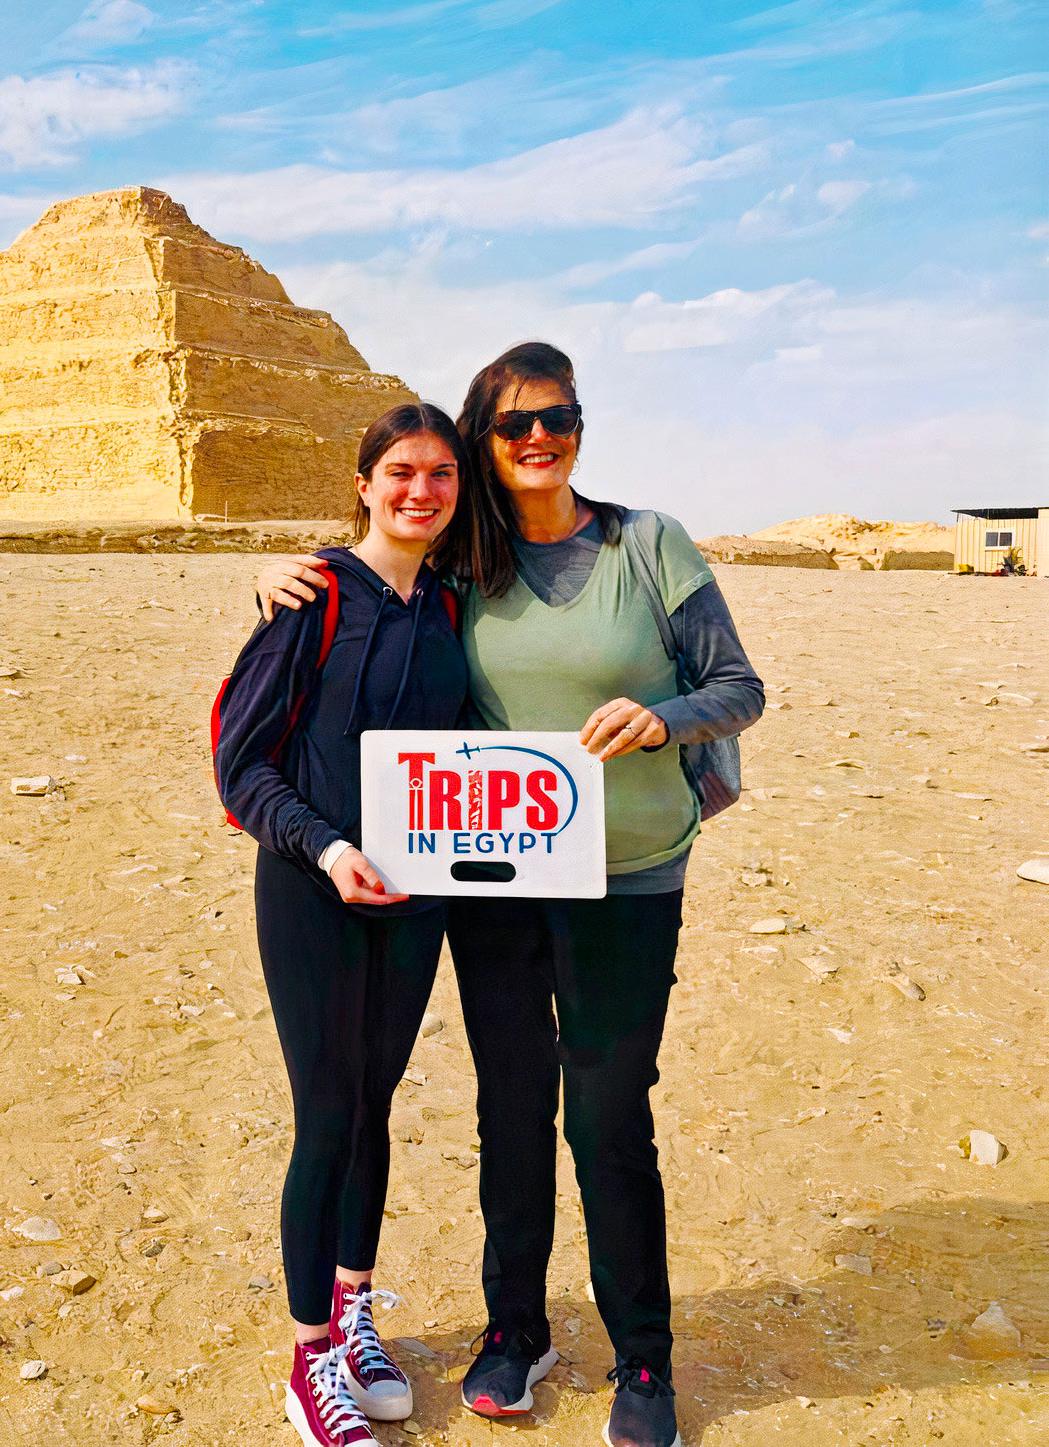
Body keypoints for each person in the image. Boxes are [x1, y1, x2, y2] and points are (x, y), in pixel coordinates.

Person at [255, 342, 763, 1447]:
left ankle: (641, 1357)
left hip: (626, 874)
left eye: (558, 416)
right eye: (513, 423)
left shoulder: (646, 542)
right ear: (485, 437)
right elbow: (370, 579)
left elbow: (736, 686)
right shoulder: (459, 563)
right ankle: (513, 1332)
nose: (539, 437)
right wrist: (283, 580)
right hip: (491, 877)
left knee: (607, 1115)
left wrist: (661, 718)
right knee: (508, 1110)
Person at [215, 402, 476, 1445]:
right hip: (313, 889)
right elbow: (243, 766)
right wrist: (326, 848)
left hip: (416, 896)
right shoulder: (310, 598)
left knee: (373, 1102)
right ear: (362, 483)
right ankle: (307, 1355)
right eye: (400, 472)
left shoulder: (457, 605)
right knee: (324, 1111)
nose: (420, 492)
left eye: (440, 476)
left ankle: (356, 1309)